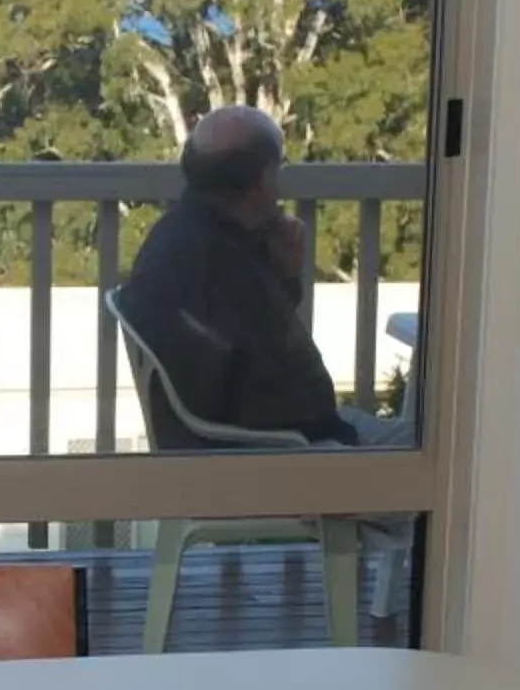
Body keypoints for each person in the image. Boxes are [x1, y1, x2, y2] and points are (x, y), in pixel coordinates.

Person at [120, 105, 408, 447]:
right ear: (262, 180)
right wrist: (338, 436)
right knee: (436, 448)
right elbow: (264, 383)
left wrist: (282, 275)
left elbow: (244, 345)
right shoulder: (215, 257)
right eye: (279, 167)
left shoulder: (186, 232)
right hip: (268, 449)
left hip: (238, 434)